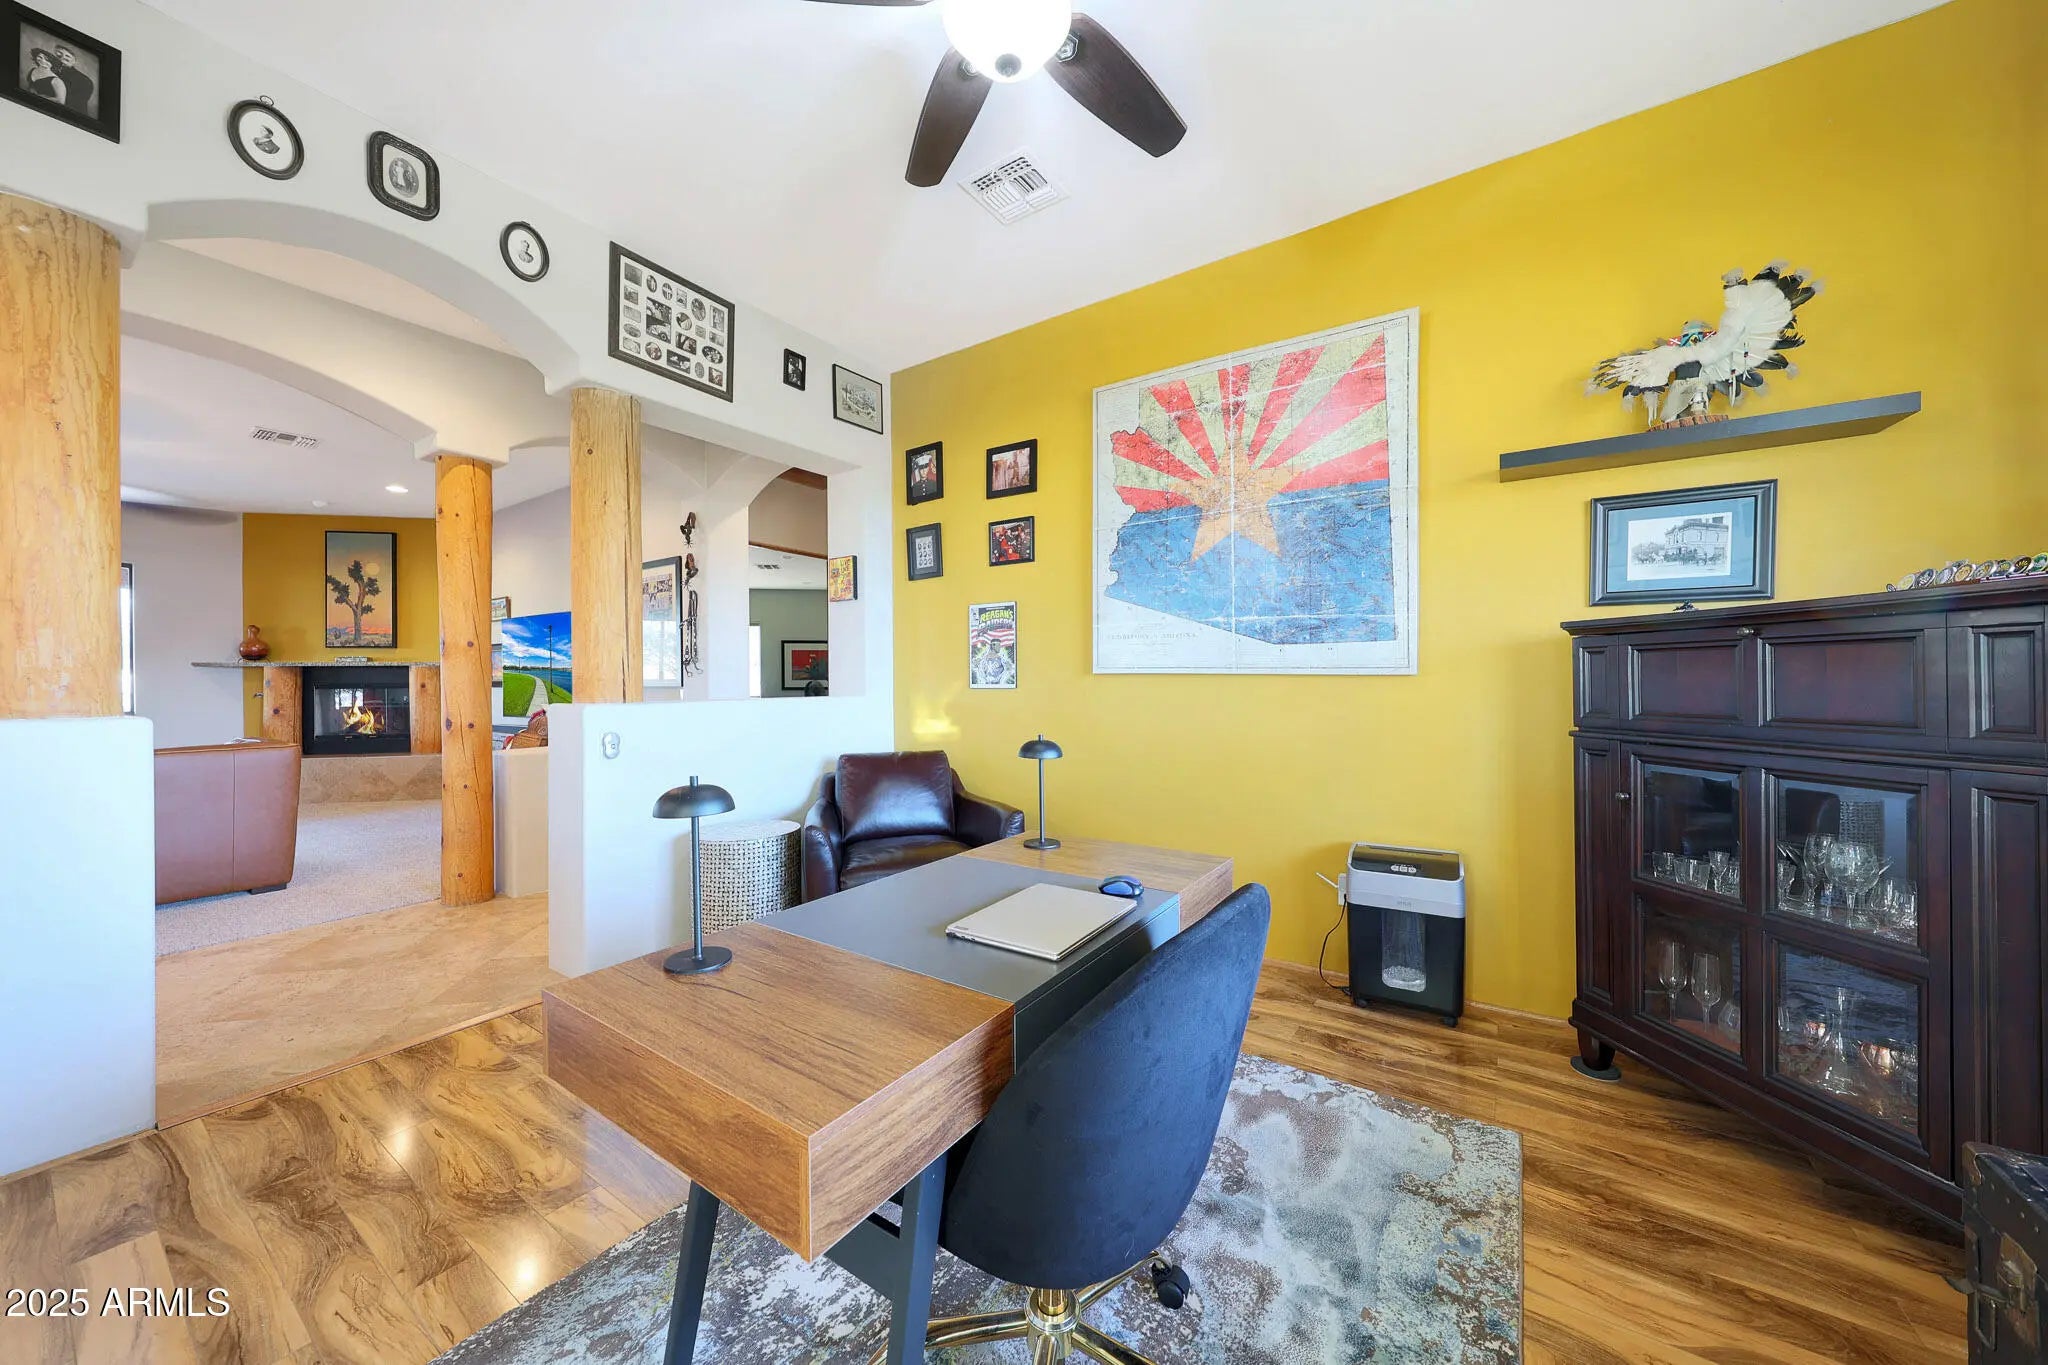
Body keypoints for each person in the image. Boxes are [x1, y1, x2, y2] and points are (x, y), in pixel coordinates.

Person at [53, 45, 91, 115]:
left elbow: (75, 105)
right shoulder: (53, 73)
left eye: (67, 56)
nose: (62, 59)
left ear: (74, 61)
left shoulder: (84, 80)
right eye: (59, 55)